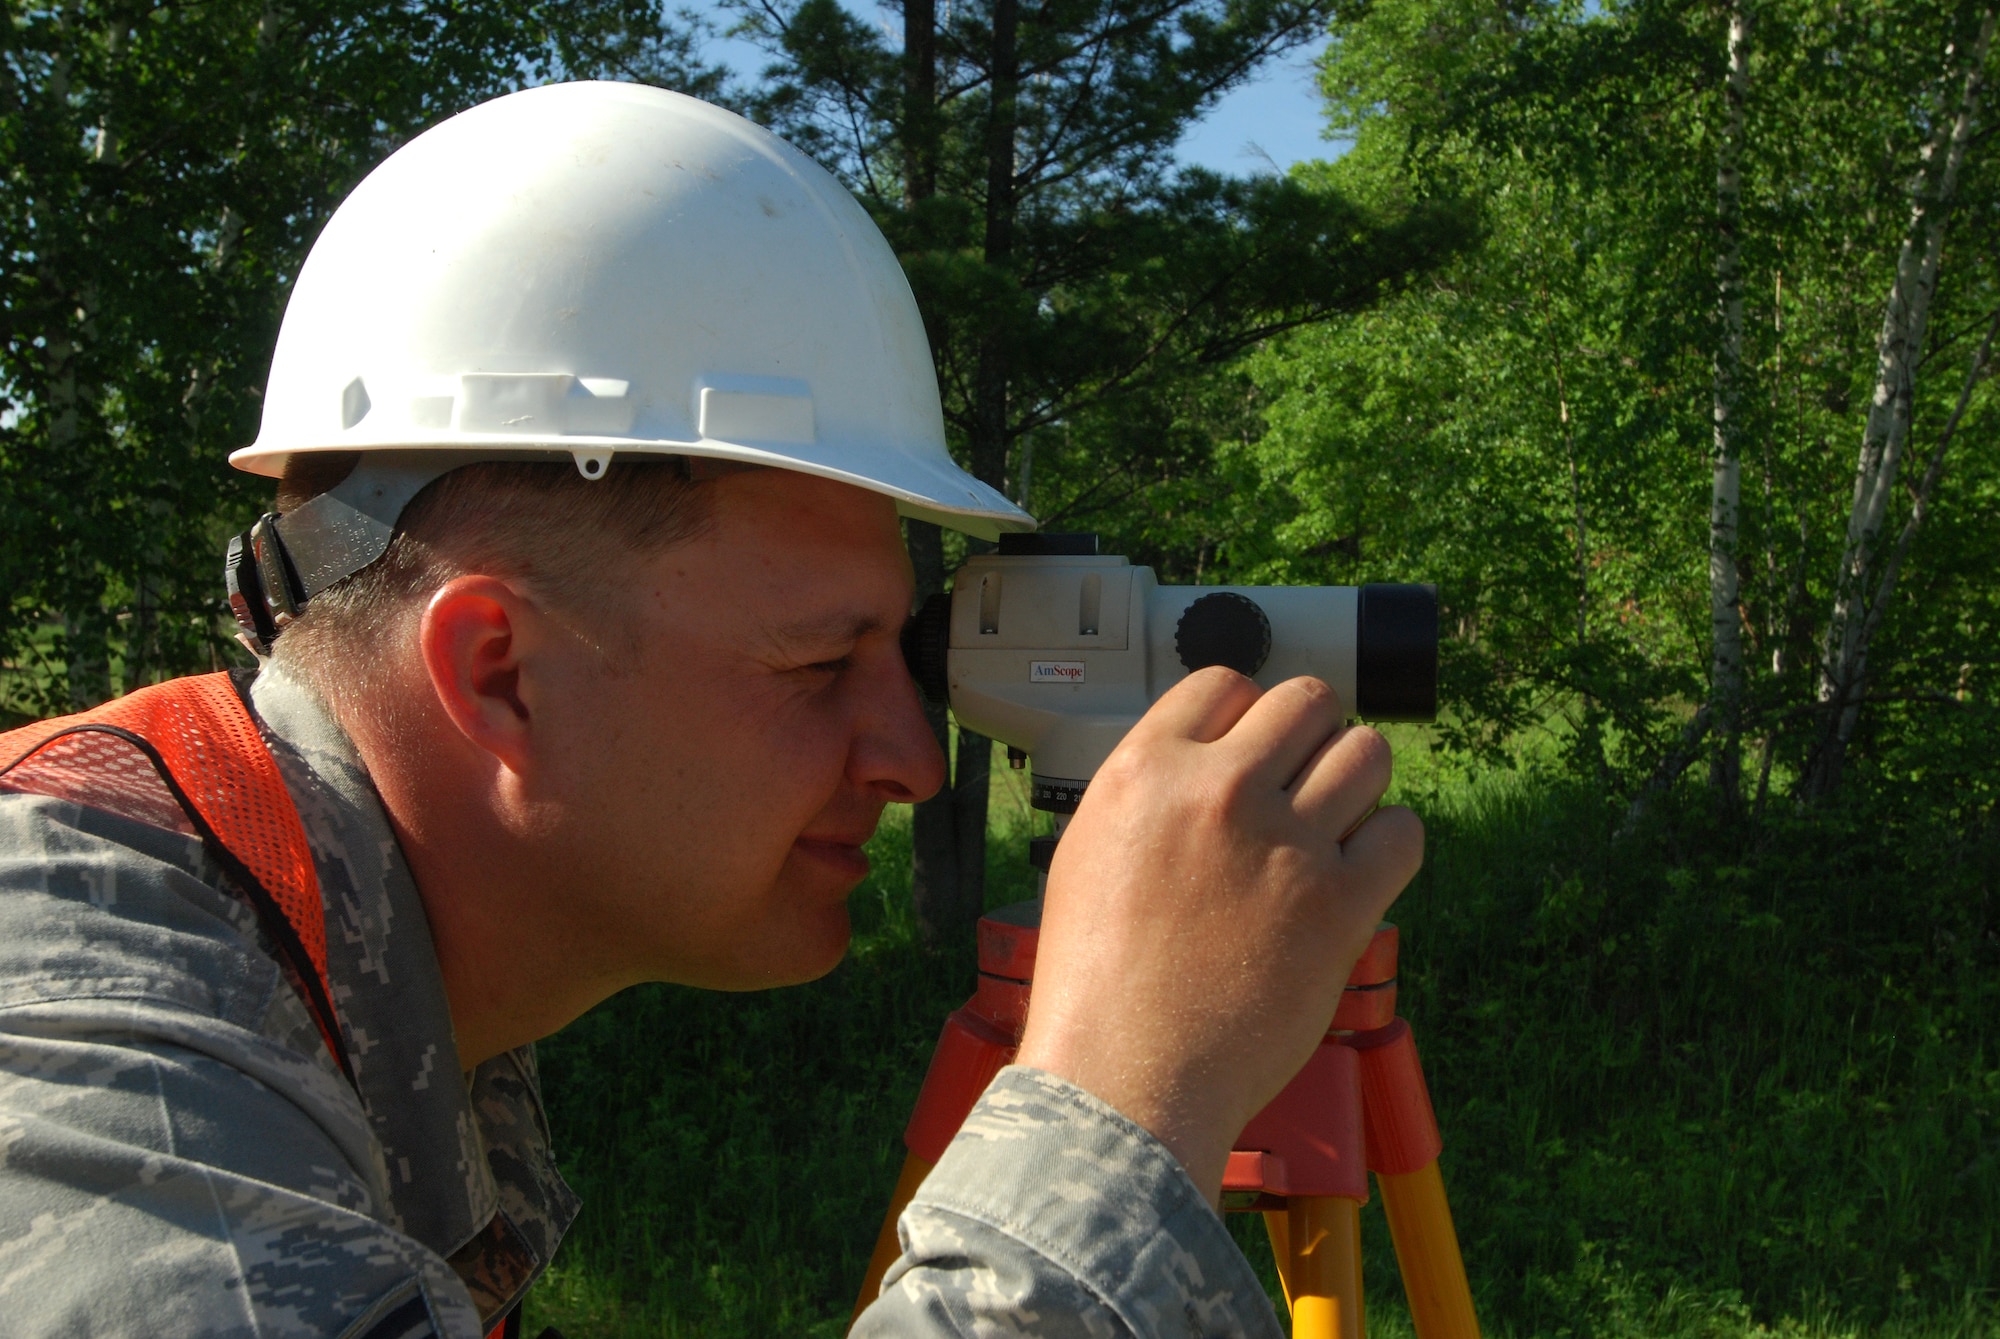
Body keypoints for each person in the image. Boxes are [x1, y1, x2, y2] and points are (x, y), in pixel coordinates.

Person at [0, 83, 1423, 1338]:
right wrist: (1126, 1107)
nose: (917, 763)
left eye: (902, 657)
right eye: (819, 665)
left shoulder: (285, 954)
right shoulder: (79, 1047)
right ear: (497, 671)